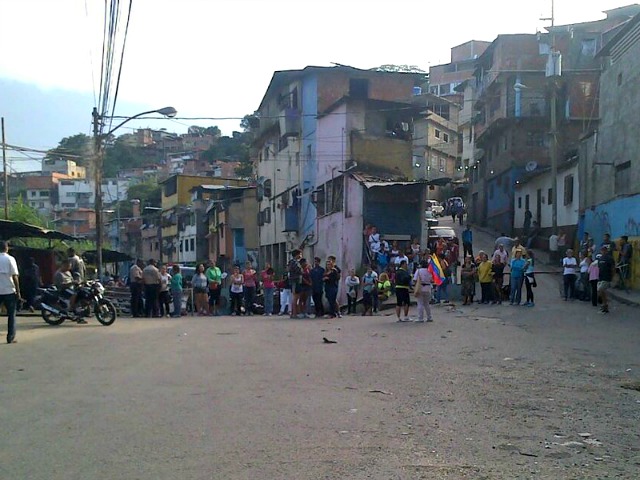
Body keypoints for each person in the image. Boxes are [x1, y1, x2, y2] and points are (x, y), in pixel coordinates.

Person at [0, 241, 21, 343]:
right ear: (6, 248)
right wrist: (18, 292)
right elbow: (15, 276)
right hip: (9, 290)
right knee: (11, 315)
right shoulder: (10, 259)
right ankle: (10, 337)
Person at [597, 246, 615, 314]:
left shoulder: (609, 258)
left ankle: (605, 305)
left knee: (600, 289)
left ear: (606, 251)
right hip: (600, 277)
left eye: (604, 250)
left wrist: (612, 277)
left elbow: (613, 268)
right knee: (601, 292)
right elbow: (599, 268)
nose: (603, 252)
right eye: (602, 250)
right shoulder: (600, 258)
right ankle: (605, 305)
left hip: (607, 277)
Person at [287, 250, 303, 318]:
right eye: (300, 254)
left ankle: (294, 313)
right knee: (295, 297)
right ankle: (294, 313)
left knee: (295, 297)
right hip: (295, 281)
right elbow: (298, 271)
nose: (301, 255)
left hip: (295, 281)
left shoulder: (292, 262)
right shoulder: (294, 262)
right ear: (297, 255)